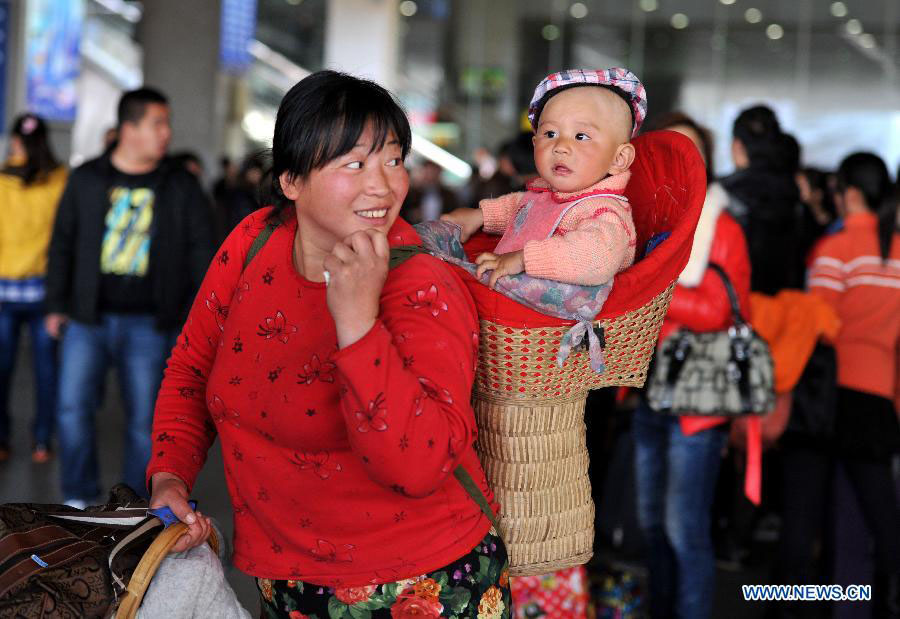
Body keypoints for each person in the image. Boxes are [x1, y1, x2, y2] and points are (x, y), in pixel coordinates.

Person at [146, 70, 511, 618]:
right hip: (284, 580)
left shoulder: (422, 284)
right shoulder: (254, 242)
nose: (383, 186)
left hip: (423, 584)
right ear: (292, 182)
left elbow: (419, 467)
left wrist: (358, 322)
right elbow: (192, 369)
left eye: (393, 160)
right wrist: (170, 474)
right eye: (354, 164)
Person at [44, 87, 214, 508]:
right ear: (128, 129)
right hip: (88, 318)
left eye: (166, 123)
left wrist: (198, 319)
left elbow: (202, 253)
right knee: (72, 411)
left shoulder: (180, 185)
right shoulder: (86, 179)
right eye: (157, 123)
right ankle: (79, 498)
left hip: (151, 323)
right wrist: (56, 304)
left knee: (146, 422)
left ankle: (133, 505)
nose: (166, 133)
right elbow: (62, 242)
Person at [633, 112, 751, 619]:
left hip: (699, 395)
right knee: (650, 525)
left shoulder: (722, 225)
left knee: (685, 529)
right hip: (647, 388)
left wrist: (654, 293)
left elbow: (723, 311)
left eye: (690, 152)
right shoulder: (639, 220)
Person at [443, 68, 647, 290]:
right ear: (534, 144)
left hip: (559, 322)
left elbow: (596, 257)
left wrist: (523, 259)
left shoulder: (604, 211)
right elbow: (519, 208)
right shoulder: (545, 196)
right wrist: (480, 215)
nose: (560, 147)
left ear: (618, 158)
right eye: (550, 134)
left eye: (581, 136)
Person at [803, 152, 900, 617]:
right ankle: (853, 607)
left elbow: (819, 324)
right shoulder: (897, 250)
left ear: (851, 193)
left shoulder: (836, 248)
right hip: (883, 398)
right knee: (858, 513)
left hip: (839, 395)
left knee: (863, 516)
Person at [0, 113, 67, 463]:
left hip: (4, 293)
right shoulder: (60, 180)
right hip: (46, 293)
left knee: (2, 371)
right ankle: (42, 442)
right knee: (46, 372)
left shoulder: (1, 180)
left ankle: (2, 439)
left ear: (15, 142)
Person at [720, 105, 803, 295]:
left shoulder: (724, 192)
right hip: (784, 307)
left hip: (736, 304)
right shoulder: (793, 190)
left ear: (737, 145)